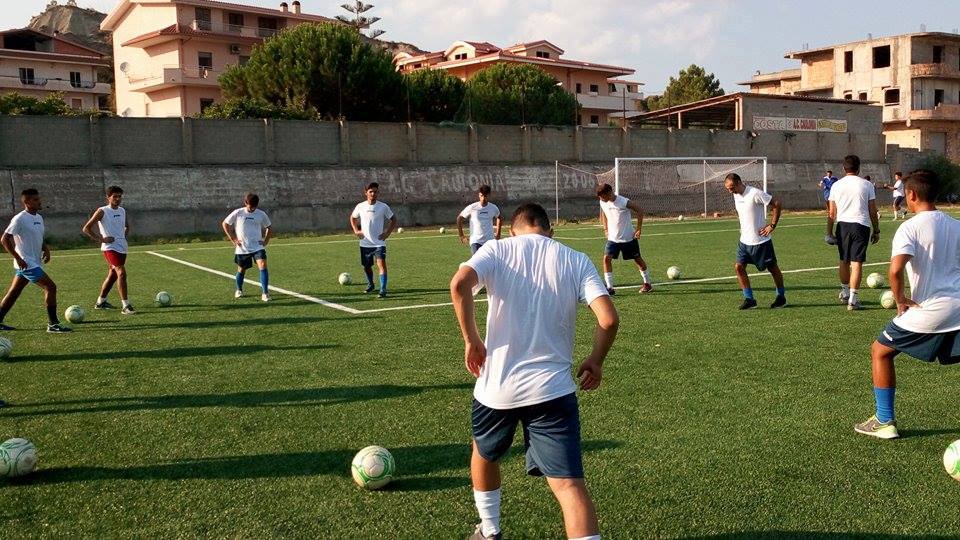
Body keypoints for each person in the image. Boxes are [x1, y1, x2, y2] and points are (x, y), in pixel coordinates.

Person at [450, 203, 619, 540]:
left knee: (483, 453)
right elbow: (608, 319)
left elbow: (459, 285)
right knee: (569, 486)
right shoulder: (575, 258)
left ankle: (490, 529)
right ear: (549, 230)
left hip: (497, 387)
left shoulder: (496, 249)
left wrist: (472, 341)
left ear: (512, 229)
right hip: (553, 390)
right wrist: (595, 360)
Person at [854, 170, 960, 439]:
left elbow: (895, 270)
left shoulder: (910, 227)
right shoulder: (955, 224)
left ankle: (884, 420)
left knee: (880, 351)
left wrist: (900, 299)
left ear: (910, 195)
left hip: (930, 311)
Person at [0, 189, 71, 333]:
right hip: (26, 262)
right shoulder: (19, 218)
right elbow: (4, 239)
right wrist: (18, 258)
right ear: (27, 202)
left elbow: (38, 237)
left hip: (33, 260)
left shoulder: (39, 217)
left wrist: (46, 249)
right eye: (35, 200)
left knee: (14, 292)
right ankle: (53, 324)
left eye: (39, 199)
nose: (39, 202)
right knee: (50, 287)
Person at [723, 173, 786, 309]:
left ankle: (781, 297)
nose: (730, 191)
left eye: (732, 187)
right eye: (728, 188)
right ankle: (749, 299)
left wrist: (772, 225)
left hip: (761, 242)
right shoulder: (735, 194)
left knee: (773, 268)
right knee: (738, 267)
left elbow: (776, 204)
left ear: (739, 182)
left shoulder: (754, 193)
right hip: (744, 242)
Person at [826, 155, 879, 311]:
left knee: (844, 260)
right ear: (859, 168)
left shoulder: (836, 186)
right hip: (861, 225)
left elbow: (831, 212)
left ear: (844, 168)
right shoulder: (867, 185)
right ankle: (853, 300)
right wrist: (876, 230)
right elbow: (872, 210)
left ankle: (845, 292)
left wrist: (829, 233)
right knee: (856, 263)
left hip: (842, 226)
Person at [82, 185, 135, 314]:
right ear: (108, 197)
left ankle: (101, 302)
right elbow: (86, 228)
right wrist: (102, 239)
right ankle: (126, 306)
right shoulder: (102, 211)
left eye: (119, 196)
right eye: (114, 196)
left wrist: (123, 237)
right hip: (109, 248)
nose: (117, 199)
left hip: (122, 247)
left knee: (113, 275)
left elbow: (127, 226)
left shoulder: (122, 210)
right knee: (121, 272)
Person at [596, 183, 652, 295]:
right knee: (606, 259)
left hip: (628, 239)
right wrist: (605, 229)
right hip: (613, 239)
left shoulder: (623, 201)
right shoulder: (603, 202)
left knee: (638, 260)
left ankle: (647, 284)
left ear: (609, 193)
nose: (601, 199)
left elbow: (640, 210)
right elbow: (604, 213)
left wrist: (639, 229)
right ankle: (610, 288)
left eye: (603, 196)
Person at [222, 193, 273, 302]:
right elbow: (225, 224)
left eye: (254, 206)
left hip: (258, 247)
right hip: (242, 248)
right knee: (241, 269)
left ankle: (265, 293)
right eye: (250, 206)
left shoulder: (261, 214)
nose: (252, 208)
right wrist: (233, 239)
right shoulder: (238, 213)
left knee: (263, 265)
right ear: (245, 203)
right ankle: (239, 289)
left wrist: (265, 241)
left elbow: (269, 227)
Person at [350, 182, 397, 298]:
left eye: (375, 192)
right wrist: (356, 230)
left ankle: (383, 289)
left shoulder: (383, 206)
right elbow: (353, 217)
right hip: (365, 243)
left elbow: (393, 219)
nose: (373, 194)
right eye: (371, 191)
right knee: (367, 266)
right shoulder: (360, 206)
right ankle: (371, 284)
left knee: (381, 264)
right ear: (366, 193)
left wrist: (387, 233)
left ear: (378, 193)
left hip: (379, 243)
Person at [458, 185, 502, 254]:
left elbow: (499, 217)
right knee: (476, 263)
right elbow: (459, 218)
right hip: (476, 241)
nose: (483, 198)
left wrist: (498, 234)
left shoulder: (493, 208)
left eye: (485, 196)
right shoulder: (472, 207)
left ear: (489, 196)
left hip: (489, 241)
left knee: (490, 263)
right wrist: (461, 236)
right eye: (481, 196)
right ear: (479, 195)